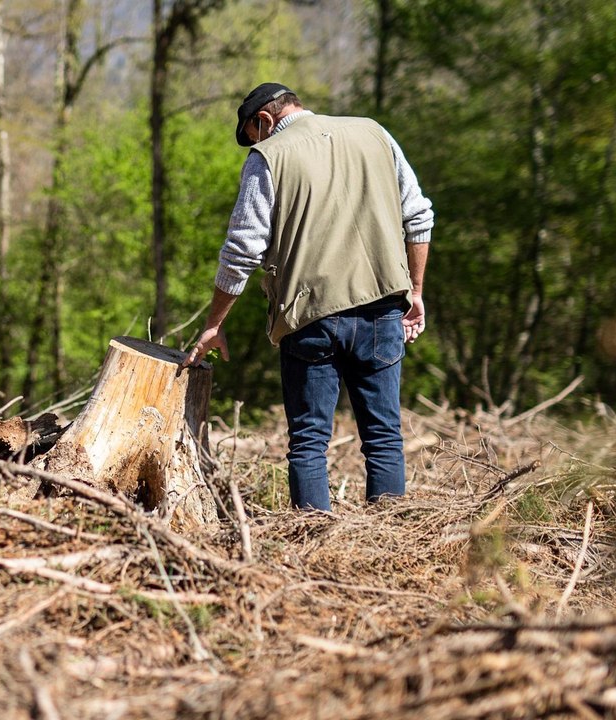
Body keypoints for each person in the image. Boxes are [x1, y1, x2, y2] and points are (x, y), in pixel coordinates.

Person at [181, 83, 434, 511]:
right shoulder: (374, 132)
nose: (255, 144)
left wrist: (215, 323)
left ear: (263, 121)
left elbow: (243, 249)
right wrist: (416, 290)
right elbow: (419, 216)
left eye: (253, 134)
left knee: (309, 442)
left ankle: (313, 548)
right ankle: (392, 544)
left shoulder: (269, 156)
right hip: (382, 306)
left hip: (310, 316)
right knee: (385, 436)